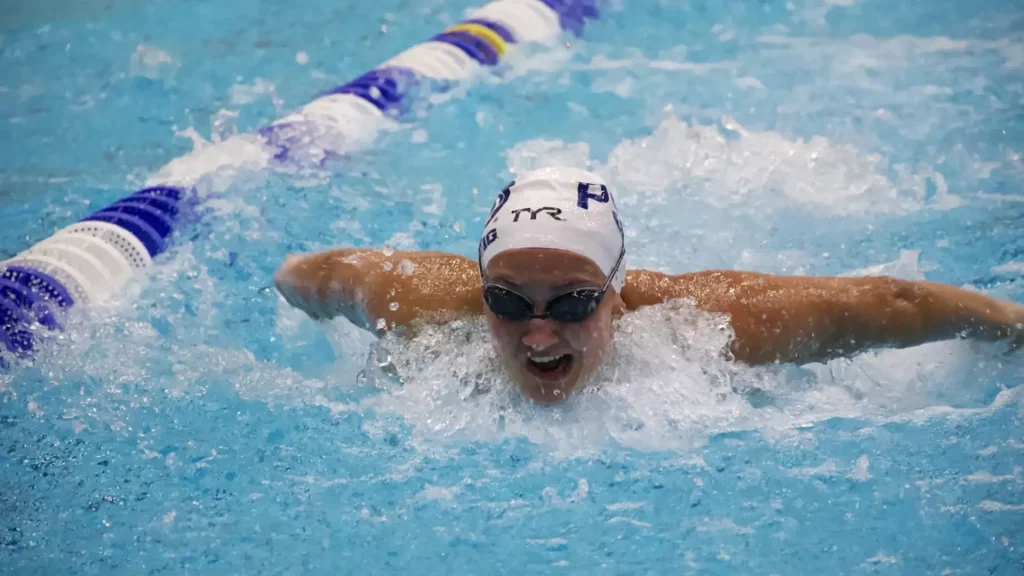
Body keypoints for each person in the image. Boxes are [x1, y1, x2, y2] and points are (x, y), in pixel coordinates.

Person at [274, 166, 1023, 404]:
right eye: (507, 301)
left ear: (616, 290)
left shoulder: (709, 324)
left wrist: (1010, 323)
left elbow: (892, 303)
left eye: (574, 301)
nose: (539, 332)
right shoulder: (417, 298)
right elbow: (310, 276)